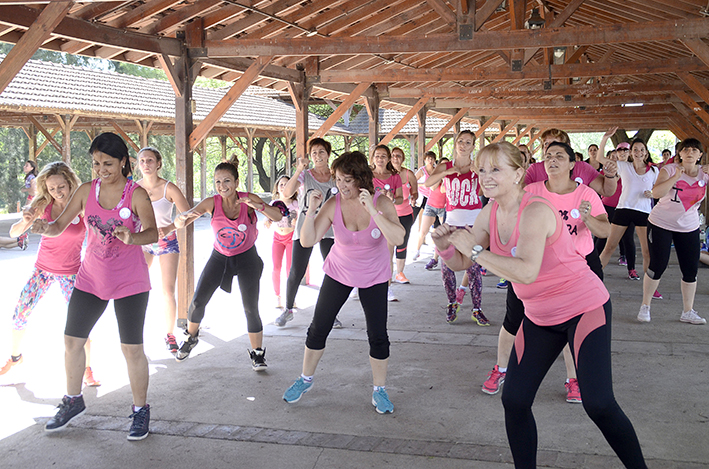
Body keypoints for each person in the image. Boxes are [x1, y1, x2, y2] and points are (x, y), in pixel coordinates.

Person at [433, 141, 647, 469]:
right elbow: (461, 261)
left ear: (518, 173)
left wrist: (475, 252)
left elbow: (526, 271)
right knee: (515, 401)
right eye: (482, 170)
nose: (486, 177)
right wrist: (445, 246)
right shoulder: (490, 212)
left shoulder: (535, 210)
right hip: (540, 316)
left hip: (583, 307)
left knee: (599, 404)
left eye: (495, 169)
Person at [33, 133, 158, 440]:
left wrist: (133, 237)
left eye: (108, 163)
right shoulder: (86, 191)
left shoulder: (136, 194)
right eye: (96, 163)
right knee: (72, 341)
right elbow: (58, 226)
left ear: (123, 162)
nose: (101, 169)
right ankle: (73, 399)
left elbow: (153, 233)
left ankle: (140, 411)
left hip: (130, 282)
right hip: (90, 279)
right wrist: (42, 227)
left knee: (132, 348)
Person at [282, 151, 405, 413]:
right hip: (340, 271)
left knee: (378, 335)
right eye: (338, 180)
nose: (341, 186)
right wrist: (311, 210)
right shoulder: (333, 203)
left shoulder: (381, 202)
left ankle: (379, 390)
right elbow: (306, 240)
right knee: (318, 327)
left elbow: (397, 238)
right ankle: (305, 379)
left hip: (374, 275)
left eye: (347, 180)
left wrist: (372, 209)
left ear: (361, 179)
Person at [173, 161, 283, 370]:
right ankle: (191, 337)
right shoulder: (211, 202)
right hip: (219, 258)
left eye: (226, 181)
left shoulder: (247, 199)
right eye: (217, 182)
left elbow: (277, 216)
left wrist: (258, 206)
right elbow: (186, 219)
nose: (222, 186)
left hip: (247, 259)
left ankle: (257, 353)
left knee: (251, 308)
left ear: (236, 182)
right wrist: (176, 223)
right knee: (197, 301)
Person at [1, 162, 99, 387]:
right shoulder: (43, 204)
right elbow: (14, 232)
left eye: (61, 187)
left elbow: (98, 230)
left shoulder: (82, 205)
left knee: (81, 322)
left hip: (72, 273)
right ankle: (15, 358)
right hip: (42, 270)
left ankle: (87, 369)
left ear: (70, 182)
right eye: (52, 188)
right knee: (20, 312)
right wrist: (25, 221)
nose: (57, 192)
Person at [638, 138, 709, 325]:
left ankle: (688, 311)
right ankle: (645, 305)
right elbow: (657, 193)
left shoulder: (705, 174)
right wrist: (676, 177)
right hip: (661, 223)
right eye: (686, 149)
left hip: (689, 226)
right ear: (679, 153)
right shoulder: (669, 170)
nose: (690, 152)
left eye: (695, 150)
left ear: (700, 154)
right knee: (657, 266)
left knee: (690, 269)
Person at [424, 130, 488, 325]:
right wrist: (445, 173)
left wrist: (481, 175)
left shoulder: (478, 166)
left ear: (473, 146)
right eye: (460, 141)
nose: (463, 145)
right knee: (446, 267)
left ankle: (477, 308)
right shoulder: (446, 166)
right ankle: (452, 303)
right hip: (450, 222)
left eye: (468, 142)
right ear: (455, 143)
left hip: (473, 224)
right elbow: (428, 183)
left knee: (474, 267)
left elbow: (486, 191)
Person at [276, 138, 338, 327]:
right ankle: (288, 308)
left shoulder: (336, 175)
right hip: (306, 225)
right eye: (314, 153)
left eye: (321, 152)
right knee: (297, 270)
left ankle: (329, 312)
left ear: (328, 154)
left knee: (332, 271)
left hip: (330, 228)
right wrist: (298, 170)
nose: (318, 156)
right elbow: (286, 193)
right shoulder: (306, 175)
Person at [135, 147, 192, 353]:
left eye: (150, 160)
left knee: (167, 290)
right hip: (143, 242)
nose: (146, 164)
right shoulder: (133, 188)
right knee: (137, 288)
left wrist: (169, 227)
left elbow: (189, 214)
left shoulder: (169, 188)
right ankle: (135, 336)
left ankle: (169, 334)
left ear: (158, 164)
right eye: (142, 161)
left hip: (166, 242)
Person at [598, 133, 659, 288]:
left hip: (644, 213)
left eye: (641, 150)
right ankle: (593, 280)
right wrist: (605, 138)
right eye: (635, 150)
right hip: (623, 209)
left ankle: (650, 288)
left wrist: (653, 194)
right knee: (609, 248)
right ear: (631, 152)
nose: (638, 152)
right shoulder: (624, 166)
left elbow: (661, 189)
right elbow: (600, 158)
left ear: (646, 152)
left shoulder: (654, 171)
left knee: (647, 252)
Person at [524, 128, 618, 198]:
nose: (550, 147)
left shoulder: (582, 167)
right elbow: (520, 193)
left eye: (555, 143)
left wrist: (610, 176)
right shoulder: (534, 169)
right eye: (546, 144)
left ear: (567, 147)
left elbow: (606, 191)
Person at [264, 175, 298, 309]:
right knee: (276, 268)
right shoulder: (274, 204)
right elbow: (268, 218)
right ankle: (277, 296)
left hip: (291, 237)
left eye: (287, 184)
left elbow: (304, 217)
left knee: (290, 269)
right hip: (277, 238)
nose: (284, 187)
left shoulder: (296, 204)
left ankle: (291, 297)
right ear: (277, 188)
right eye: (281, 184)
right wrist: (267, 221)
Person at [390, 147, 418, 284]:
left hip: (405, 214)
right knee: (387, 244)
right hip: (388, 215)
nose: (396, 158)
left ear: (403, 158)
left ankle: (399, 273)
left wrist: (413, 197)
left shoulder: (409, 174)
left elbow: (415, 191)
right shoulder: (385, 174)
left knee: (402, 242)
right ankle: (386, 272)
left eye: (399, 156)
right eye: (393, 155)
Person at [413, 150, 437, 235]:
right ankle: (421, 236)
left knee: (431, 218)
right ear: (425, 160)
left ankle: (430, 236)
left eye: (432, 159)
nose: (430, 161)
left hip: (432, 197)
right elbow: (413, 182)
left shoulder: (436, 171)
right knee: (418, 215)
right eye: (428, 159)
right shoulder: (422, 171)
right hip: (421, 196)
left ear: (434, 160)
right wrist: (424, 184)